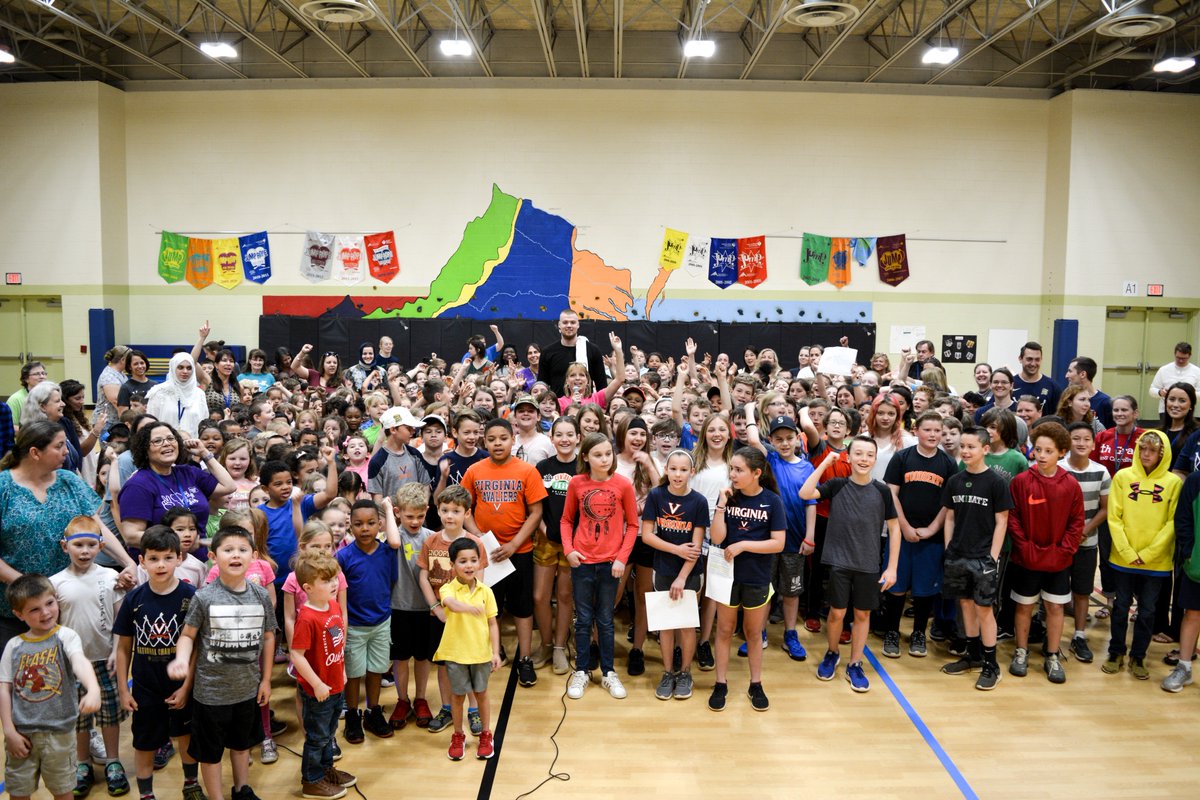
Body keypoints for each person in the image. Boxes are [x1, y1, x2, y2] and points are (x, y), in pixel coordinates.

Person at [0, 422, 135, 652]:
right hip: (19, 608)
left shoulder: (68, 480)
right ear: (35, 452)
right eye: (60, 446)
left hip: (71, 604)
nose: (67, 451)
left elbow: (96, 526)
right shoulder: (4, 486)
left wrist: (128, 562)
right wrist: (30, 586)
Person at [167, 525, 276, 800]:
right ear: (214, 556)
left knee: (242, 746)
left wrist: (265, 680)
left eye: (242, 550)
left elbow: (269, 636)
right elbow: (188, 636)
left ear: (253, 556)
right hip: (211, 694)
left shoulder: (260, 595)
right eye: (228, 550)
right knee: (211, 753)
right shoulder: (204, 596)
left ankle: (242, 790)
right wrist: (180, 659)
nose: (235, 555)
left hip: (247, 690)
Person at [801, 436, 901, 693]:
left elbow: (894, 528)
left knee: (862, 614)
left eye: (869, 455)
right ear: (848, 456)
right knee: (836, 613)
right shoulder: (836, 484)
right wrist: (825, 463)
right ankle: (832, 653)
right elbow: (805, 493)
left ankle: (855, 663)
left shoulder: (882, 491)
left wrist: (892, 567)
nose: (864, 459)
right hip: (839, 561)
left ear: (875, 459)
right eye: (858, 453)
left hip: (868, 563)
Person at [113, 526, 204, 800]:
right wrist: (123, 690)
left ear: (179, 558)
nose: (161, 564)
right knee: (145, 742)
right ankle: (147, 795)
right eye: (153, 558)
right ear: (142, 561)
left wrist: (187, 688)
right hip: (145, 688)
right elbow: (123, 648)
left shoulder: (191, 596)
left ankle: (191, 784)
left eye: (167, 557)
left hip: (180, 686)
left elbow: (197, 647)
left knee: (186, 736)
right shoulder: (134, 599)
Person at [460, 418, 547, 687]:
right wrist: (480, 538)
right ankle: (492, 653)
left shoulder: (527, 471)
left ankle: (525, 658)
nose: (497, 443)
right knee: (489, 608)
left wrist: (513, 544)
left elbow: (536, 513)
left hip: (519, 550)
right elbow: (464, 509)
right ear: (485, 442)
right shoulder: (475, 470)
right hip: (487, 555)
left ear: (513, 440)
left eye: (503, 438)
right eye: (492, 439)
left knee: (522, 608)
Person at [0, 573, 102, 800]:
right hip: (21, 734)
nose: (45, 613)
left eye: (49, 603)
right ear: (19, 614)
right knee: (18, 791)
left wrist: (93, 688)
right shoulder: (13, 646)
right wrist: (9, 730)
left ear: (56, 600)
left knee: (63, 791)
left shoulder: (65, 636)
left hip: (60, 733)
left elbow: (80, 662)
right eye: (34, 609)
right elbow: (4, 689)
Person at [48, 517, 128, 797]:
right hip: (72, 665)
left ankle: (114, 760)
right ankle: (82, 763)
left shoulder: (110, 577)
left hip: (105, 659)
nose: (84, 551)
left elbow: (121, 621)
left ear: (101, 546)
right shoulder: (54, 583)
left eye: (91, 545)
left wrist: (117, 652)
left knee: (110, 715)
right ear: (64, 546)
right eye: (78, 545)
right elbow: (52, 625)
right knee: (80, 717)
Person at [708, 448, 786, 712]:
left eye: (739, 470)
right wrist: (720, 504)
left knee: (753, 633)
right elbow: (717, 539)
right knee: (724, 631)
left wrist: (743, 545)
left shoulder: (772, 501)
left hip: (757, 577)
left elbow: (778, 543)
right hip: (727, 578)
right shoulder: (729, 499)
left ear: (756, 473)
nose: (733, 474)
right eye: (732, 469)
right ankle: (720, 683)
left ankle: (756, 683)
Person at [562, 433, 638, 701]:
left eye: (608, 453)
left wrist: (621, 557)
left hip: (610, 564)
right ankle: (582, 670)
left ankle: (608, 671)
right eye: (597, 454)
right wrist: (569, 550)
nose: (604, 459)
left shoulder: (623, 485)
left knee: (605, 619)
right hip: (582, 562)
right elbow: (566, 520)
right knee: (583, 619)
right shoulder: (576, 484)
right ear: (585, 457)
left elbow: (633, 525)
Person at [1006, 422, 1084, 684]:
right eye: (1038, 449)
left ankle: (1052, 654)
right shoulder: (1021, 481)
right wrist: (1025, 548)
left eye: (1048, 451)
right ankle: (1021, 651)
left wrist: (1064, 551)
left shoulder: (1070, 484)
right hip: (1027, 559)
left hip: (1058, 561)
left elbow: (1076, 522)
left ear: (1061, 452)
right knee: (1024, 606)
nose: (1041, 455)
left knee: (1054, 606)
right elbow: (1013, 518)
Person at [1103, 430, 1182, 678]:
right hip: (1123, 558)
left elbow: (1172, 523)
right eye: (1142, 449)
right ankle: (1115, 652)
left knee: (1148, 611)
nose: (1146, 454)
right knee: (1121, 607)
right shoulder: (1123, 477)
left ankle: (1138, 657)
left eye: (1152, 451)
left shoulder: (1173, 483)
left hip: (1156, 562)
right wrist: (1127, 550)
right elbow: (1113, 517)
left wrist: (1148, 553)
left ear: (1162, 454)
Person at [940, 428, 1013, 691]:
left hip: (983, 557)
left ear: (985, 449)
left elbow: (1002, 520)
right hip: (958, 555)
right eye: (963, 447)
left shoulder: (995, 482)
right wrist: (949, 547)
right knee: (966, 606)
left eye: (972, 446)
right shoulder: (955, 481)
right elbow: (949, 516)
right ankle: (972, 655)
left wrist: (992, 557)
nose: (966, 451)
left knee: (984, 610)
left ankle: (991, 663)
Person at [881, 412, 958, 659]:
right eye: (928, 430)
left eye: (938, 431)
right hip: (901, 536)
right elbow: (891, 494)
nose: (934, 435)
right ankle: (892, 632)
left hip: (931, 538)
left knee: (925, 590)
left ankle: (918, 634)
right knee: (896, 587)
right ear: (917, 431)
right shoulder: (902, 458)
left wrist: (933, 529)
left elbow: (949, 503)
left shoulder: (948, 464)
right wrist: (903, 526)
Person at [743, 406, 815, 660]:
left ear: (798, 438)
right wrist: (750, 409)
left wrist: (810, 536)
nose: (784, 443)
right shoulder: (770, 461)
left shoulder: (807, 468)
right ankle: (759, 632)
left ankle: (790, 633)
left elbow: (811, 504)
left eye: (789, 438)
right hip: (768, 540)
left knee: (791, 591)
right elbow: (752, 439)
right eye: (778, 439)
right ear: (771, 441)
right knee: (765, 589)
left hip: (795, 542)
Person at [417, 486, 489, 735]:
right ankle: (447, 708)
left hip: (467, 619)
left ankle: (473, 709)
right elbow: (424, 578)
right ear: (437, 511)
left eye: (456, 511)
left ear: (466, 513)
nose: (449, 516)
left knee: (467, 664)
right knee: (446, 664)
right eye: (444, 510)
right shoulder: (430, 541)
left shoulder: (475, 543)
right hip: (440, 615)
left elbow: (479, 583)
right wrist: (436, 608)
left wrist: (467, 610)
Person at [641, 449, 708, 700]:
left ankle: (685, 672)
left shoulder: (699, 501)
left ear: (692, 472)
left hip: (689, 574)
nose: (678, 474)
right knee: (666, 627)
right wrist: (676, 549)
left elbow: (696, 547)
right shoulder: (656, 495)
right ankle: (668, 672)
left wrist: (682, 577)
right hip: (663, 570)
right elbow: (647, 536)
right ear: (666, 470)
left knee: (687, 626)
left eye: (683, 470)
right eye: (673, 469)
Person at [289, 552, 356, 800]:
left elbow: (337, 645)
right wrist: (316, 683)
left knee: (329, 733)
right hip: (318, 688)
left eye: (334, 579)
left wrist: (343, 670)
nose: (334, 584)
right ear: (307, 588)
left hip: (335, 683)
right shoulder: (306, 618)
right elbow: (297, 655)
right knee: (317, 737)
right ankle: (312, 780)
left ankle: (326, 770)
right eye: (326, 581)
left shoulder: (334, 605)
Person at [337, 498, 401, 744]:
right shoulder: (343, 556)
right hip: (354, 626)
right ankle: (353, 714)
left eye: (371, 523)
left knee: (376, 669)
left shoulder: (387, 552)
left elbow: (391, 582)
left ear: (380, 525)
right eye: (358, 524)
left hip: (381, 622)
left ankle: (373, 711)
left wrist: (386, 507)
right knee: (353, 674)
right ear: (350, 526)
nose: (365, 529)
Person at [433, 538, 501, 762]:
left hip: (480, 653)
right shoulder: (447, 589)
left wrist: (495, 652)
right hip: (456, 653)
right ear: (452, 565)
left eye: (474, 560)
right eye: (463, 561)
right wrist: (469, 608)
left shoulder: (486, 592)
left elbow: (492, 623)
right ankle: (458, 735)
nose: (469, 565)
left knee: (481, 694)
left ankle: (486, 735)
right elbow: (450, 604)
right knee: (458, 696)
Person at [117, 423, 237, 549]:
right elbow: (131, 536)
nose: (167, 443)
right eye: (158, 441)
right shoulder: (138, 485)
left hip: (197, 561)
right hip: (162, 562)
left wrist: (204, 453)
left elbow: (229, 486)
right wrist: (176, 541)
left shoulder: (189, 472)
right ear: (145, 450)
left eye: (170, 438)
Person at [1058, 422, 1111, 664]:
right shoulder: (1057, 469)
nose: (1081, 443)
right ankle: (1053, 638)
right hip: (1058, 543)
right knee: (1056, 593)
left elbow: (1105, 508)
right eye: (1076, 438)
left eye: (1086, 439)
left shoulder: (1101, 472)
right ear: (1068, 441)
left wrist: (1085, 530)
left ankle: (1079, 636)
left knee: (1082, 591)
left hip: (1087, 542)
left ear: (1093, 443)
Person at [533, 417, 580, 675]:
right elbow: (536, 507)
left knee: (564, 596)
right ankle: (546, 643)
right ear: (551, 438)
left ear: (577, 438)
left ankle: (560, 647)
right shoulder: (542, 467)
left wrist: (571, 539)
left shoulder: (584, 468)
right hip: (545, 539)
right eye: (559, 434)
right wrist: (545, 530)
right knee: (540, 595)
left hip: (573, 543)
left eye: (569, 434)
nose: (564, 439)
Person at [387, 484, 436, 730]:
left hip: (424, 609)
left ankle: (421, 698)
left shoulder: (431, 537)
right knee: (400, 657)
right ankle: (402, 700)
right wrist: (386, 508)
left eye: (420, 515)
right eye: (409, 516)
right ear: (397, 512)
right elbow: (394, 542)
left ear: (427, 511)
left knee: (422, 656)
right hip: (398, 607)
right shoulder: (392, 535)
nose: (415, 521)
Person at [1162, 469, 1200, 692]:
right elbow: (1183, 519)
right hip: (1196, 564)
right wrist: (1188, 553)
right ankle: (1184, 667)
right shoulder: (1195, 481)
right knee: (1192, 613)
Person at [538, 309, 608, 398]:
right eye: (565, 322)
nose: (569, 325)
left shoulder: (593, 351)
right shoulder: (547, 352)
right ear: (559, 325)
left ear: (578, 325)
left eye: (572, 322)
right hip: (557, 408)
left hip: (585, 408)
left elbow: (602, 387)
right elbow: (542, 385)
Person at [367, 407, 426, 503]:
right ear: (393, 429)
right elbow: (377, 501)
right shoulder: (377, 461)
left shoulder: (415, 454)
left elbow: (425, 487)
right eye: (408, 428)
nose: (413, 431)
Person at [144, 354, 209, 438]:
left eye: (189, 368)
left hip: (193, 445)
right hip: (165, 444)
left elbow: (204, 422)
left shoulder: (199, 394)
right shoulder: (158, 392)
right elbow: (151, 422)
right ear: (173, 368)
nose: (185, 371)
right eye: (180, 367)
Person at [1149, 342, 1200, 415]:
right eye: (1178, 357)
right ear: (1174, 354)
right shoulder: (1164, 370)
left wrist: (1189, 394)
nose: (1181, 360)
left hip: (1187, 410)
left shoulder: (1197, 371)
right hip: (1166, 410)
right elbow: (1152, 390)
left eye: (1184, 358)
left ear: (1189, 356)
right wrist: (1160, 392)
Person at [1011, 342, 1061, 413]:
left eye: (1037, 359)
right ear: (1020, 359)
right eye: (1029, 359)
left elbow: (1060, 416)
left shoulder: (1053, 387)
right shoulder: (1009, 384)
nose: (1033, 364)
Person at [1065, 356, 1113, 429]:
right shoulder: (1067, 398)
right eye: (1082, 399)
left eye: (1070, 371)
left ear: (1083, 374)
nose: (1066, 375)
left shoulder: (1105, 402)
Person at [7, 361, 48, 430]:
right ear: (26, 379)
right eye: (37, 374)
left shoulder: (50, 395)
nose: (42, 376)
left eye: (43, 373)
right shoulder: (15, 399)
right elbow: (11, 426)